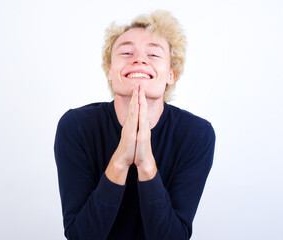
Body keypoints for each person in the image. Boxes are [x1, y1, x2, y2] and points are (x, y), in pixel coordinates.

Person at [54, 10, 215, 240]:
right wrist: (121, 159)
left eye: (153, 54)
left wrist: (145, 163)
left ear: (171, 73)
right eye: (126, 52)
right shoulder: (76, 126)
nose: (139, 60)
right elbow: (80, 236)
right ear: (110, 70)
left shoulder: (196, 135)